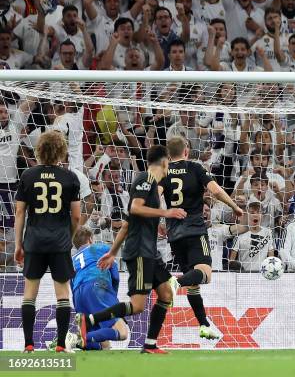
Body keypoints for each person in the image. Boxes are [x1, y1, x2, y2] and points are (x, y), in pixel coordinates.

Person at [77, 145, 187, 354]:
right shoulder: (145, 180)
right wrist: (168, 212)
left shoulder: (152, 185)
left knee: (165, 294)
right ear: (164, 163)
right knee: (137, 306)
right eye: (169, 165)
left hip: (149, 252)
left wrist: (112, 252)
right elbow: (135, 208)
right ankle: (90, 319)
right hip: (140, 252)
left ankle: (150, 345)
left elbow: (128, 222)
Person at [159, 137, 243, 339]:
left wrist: (160, 218)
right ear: (186, 151)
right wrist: (234, 206)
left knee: (193, 283)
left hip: (174, 234)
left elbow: (154, 196)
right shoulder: (195, 168)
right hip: (195, 229)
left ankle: (204, 325)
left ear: (169, 155)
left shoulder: (163, 171)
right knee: (205, 273)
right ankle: (174, 282)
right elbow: (215, 190)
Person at [14, 130, 81, 352]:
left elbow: (20, 213)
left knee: (29, 294)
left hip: (34, 241)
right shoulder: (70, 177)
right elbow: (77, 216)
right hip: (59, 242)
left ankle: (28, 344)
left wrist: (18, 244)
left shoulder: (28, 175)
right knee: (62, 295)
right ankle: (61, 344)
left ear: (40, 150)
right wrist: (68, 238)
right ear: (61, 150)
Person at [61, 227, 128, 350]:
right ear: (90, 239)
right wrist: (113, 302)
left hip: (78, 295)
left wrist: (78, 308)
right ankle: (74, 338)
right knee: (122, 333)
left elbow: (71, 284)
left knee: (100, 344)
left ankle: (76, 340)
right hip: (97, 286)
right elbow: (115, 277)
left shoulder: (72, 260)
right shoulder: (101, 248)